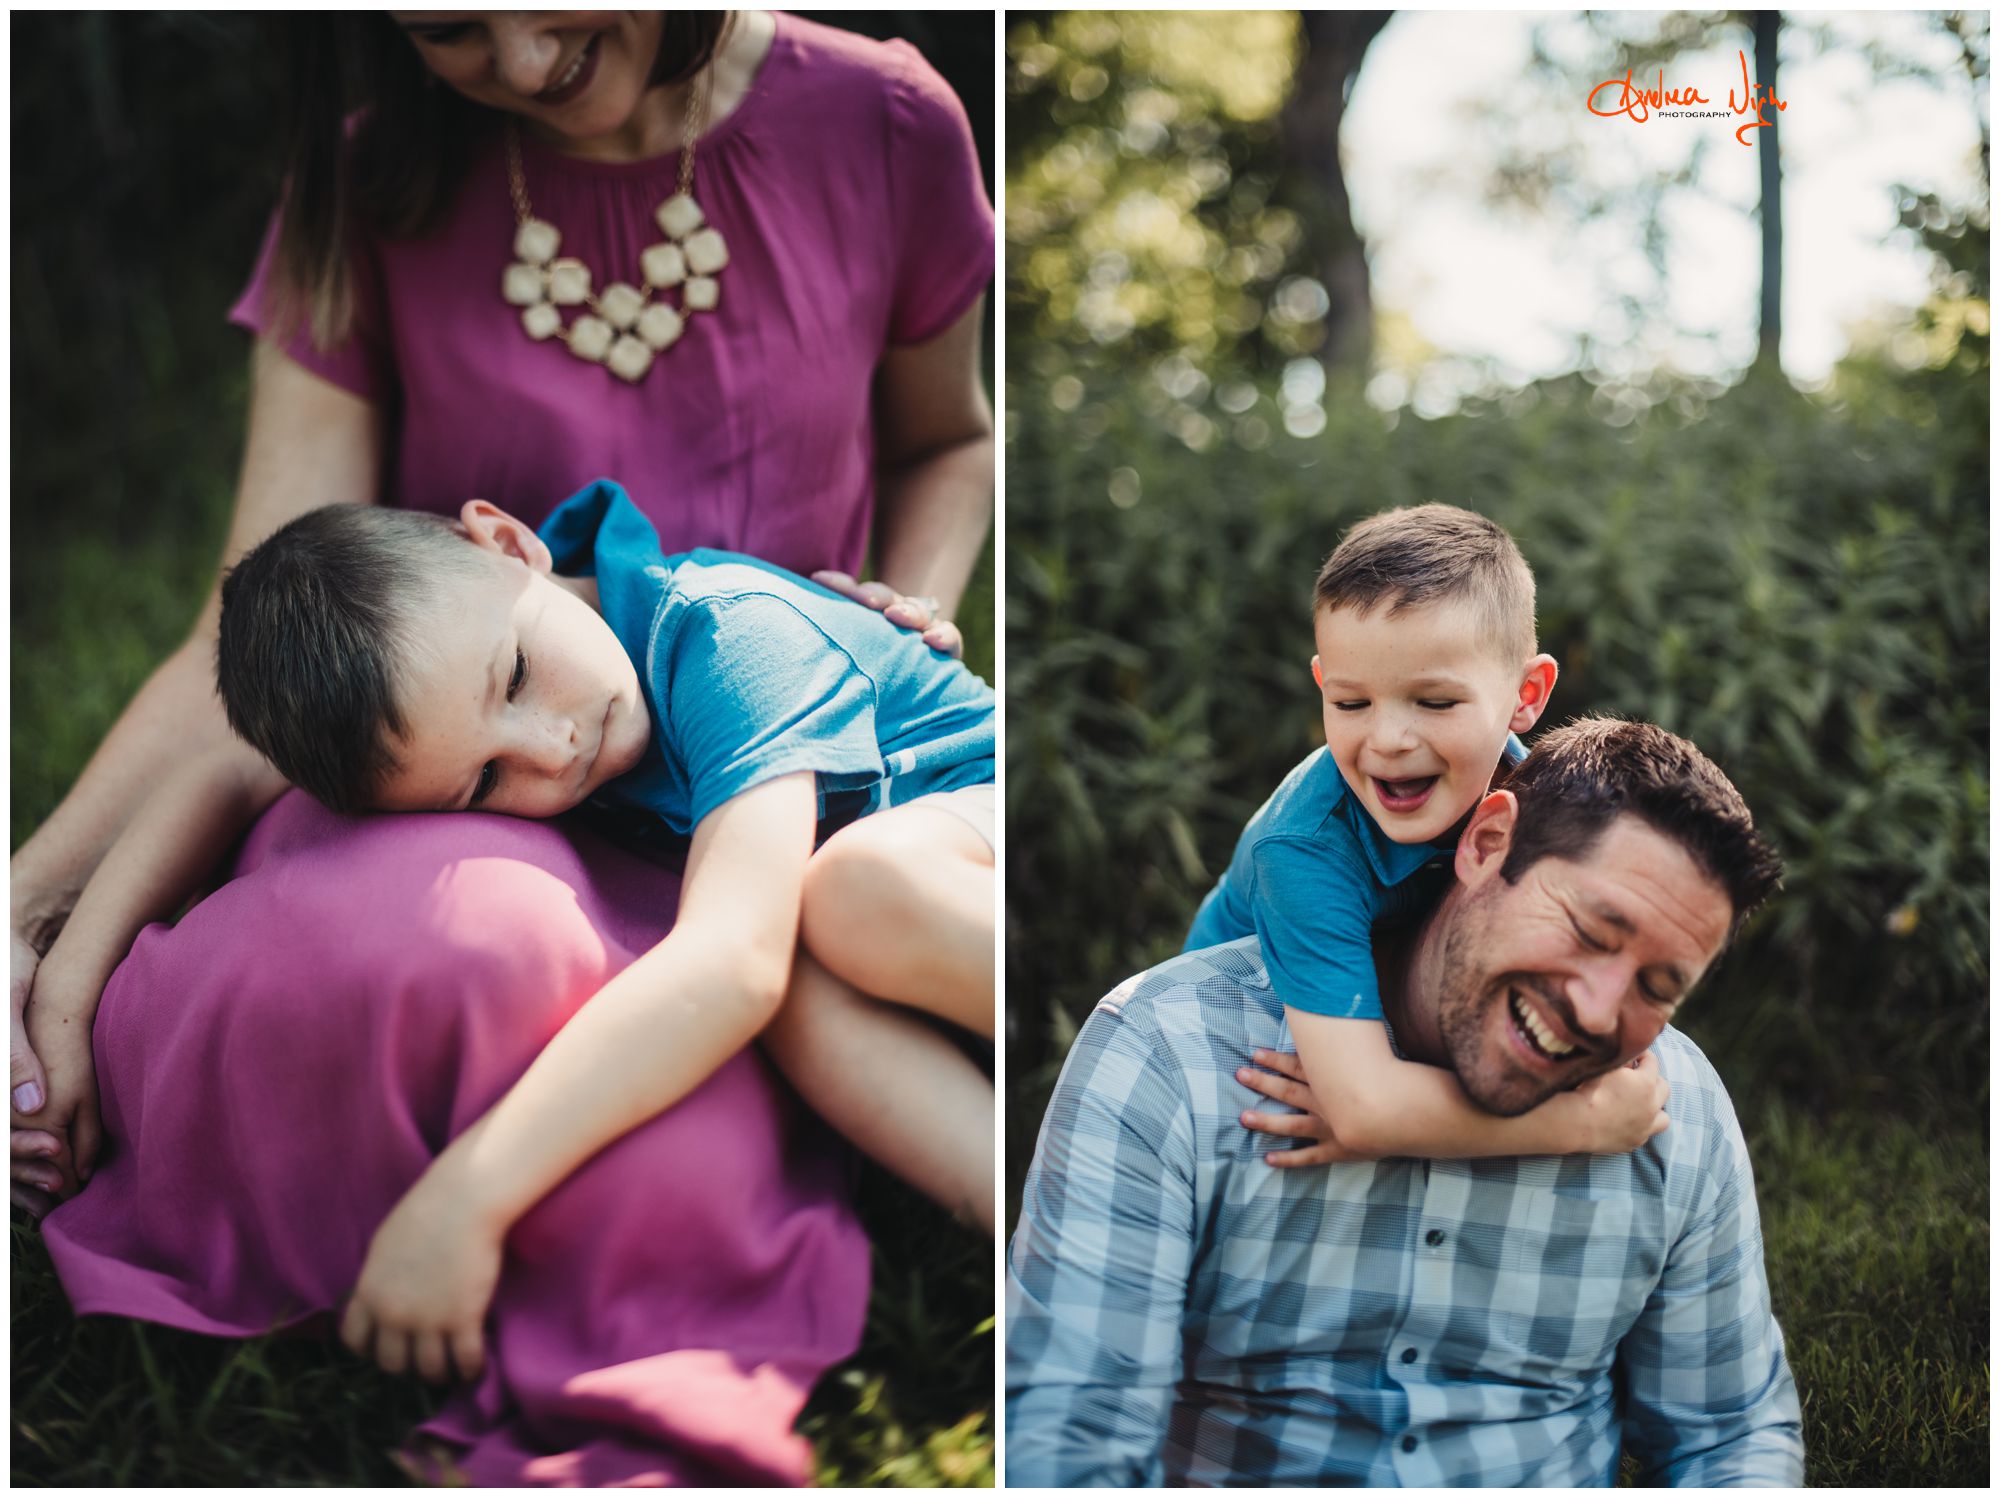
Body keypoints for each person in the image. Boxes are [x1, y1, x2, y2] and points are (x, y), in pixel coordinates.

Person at [14, 11, 992, 1484]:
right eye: (457, 30)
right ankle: (305, 1221)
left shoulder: (879, 124)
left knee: (736, 1019)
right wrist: (42, 931)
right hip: (448, 751)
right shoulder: (480, 695)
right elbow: (250, 659)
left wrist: (906, 611)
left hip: (761, 804)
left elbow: (951, 440)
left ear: (518, 542)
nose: (529, 62)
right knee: (411, 941)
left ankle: (531, 1279)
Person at [1007, 717, 1805, 1486]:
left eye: (1657, 988)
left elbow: (1730, 1434)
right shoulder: (1172, 1054)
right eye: (1590, 932)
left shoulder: (1676, 1112)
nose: (1598, 1011)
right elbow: (1073, 1437)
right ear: (1487, 844)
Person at [1185, 504, 1670, 1166]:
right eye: (1352, 704)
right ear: (1324, 684)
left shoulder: (1544, 802)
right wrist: (1583, 1126)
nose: (1387, 743)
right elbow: (1360, 1111)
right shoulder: (1302, 851)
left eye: (1436, 702)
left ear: (1526, 696)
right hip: (1254, 1032)